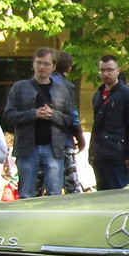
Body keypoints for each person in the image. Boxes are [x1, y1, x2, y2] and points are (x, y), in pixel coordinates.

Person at [4, 48, 73, 199]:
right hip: (28, 148)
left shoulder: (62, 90)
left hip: (53, 149)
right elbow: (9, 115)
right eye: (39, 63)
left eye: (47, 64)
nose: (42, 67)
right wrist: (33, 114)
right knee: (26, 194)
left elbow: (70, 119)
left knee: (55, 194)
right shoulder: (20, 88)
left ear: (53, 67)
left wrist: (53, 115)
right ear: (33, 64)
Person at [90, 55, 129, 190]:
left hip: (119, 155)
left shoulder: (128, 95)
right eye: (102, 70)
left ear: (118, 70)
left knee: (120, 194)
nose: (106, 74)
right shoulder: (98, 95)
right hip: (100, 155)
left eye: (109, 70)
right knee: (103, 195)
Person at [52, 51, 86, 194]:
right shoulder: (67, 86)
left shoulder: (37, 84)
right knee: (70, 182)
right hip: (64, 140)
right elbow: (73, 114)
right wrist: (79, 136)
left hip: (42, 141)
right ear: (69, 68)